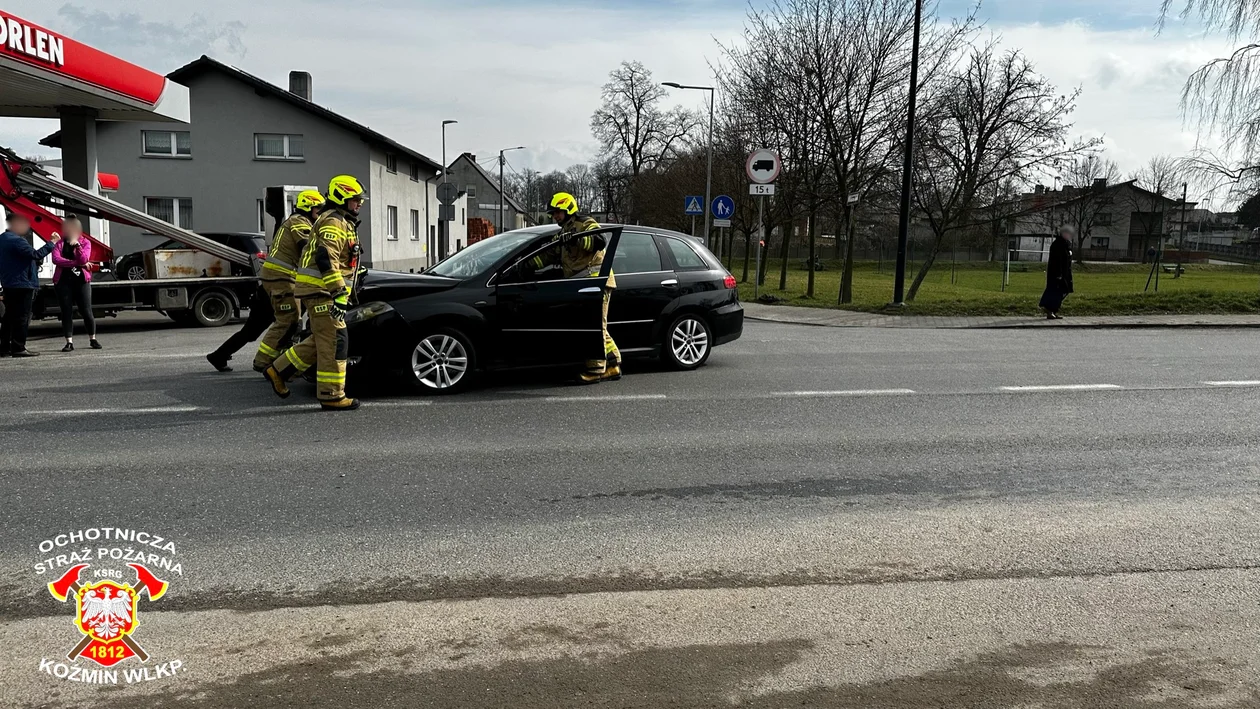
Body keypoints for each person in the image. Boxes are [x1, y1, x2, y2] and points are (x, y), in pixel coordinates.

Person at [264, 175, 366, 411]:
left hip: (322, 290)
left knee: (322, 338)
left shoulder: (341, 220)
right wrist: (339, 292)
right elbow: (324, 258)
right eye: (355, 199)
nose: (359, 203)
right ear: (342, 198)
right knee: (334, 342)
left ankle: (278, 370)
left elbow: (341, 259)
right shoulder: (334, 222)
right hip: (322, 291)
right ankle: (331, 395)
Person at [205, 190, 325, 372]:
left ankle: (219, 355)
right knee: (290, 321)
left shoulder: (292, 222)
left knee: (254, 327)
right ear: (308, 207)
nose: (321, 213)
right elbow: (308, 250)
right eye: (319, 209)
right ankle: (265, 362)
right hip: (281, 281)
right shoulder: (300, 223)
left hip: (271, 281)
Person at [536, 192, 619, 384]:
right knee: (598, 326)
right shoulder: (563, 231)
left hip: (596, 282)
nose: (554, 216)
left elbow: (599, 241)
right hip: (585, 284)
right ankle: (613, 365)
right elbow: (550, 255)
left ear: (568, 208)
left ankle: (597, 370)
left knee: (594, 327)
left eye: (557, 212)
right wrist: (528, 265)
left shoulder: (585, 223)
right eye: (553, 214)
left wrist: (577, 238)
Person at [0, 212, 59, 357]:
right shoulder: (17, 241)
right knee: (22, 316)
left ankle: (4, 347)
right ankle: (19, 347)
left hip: (9, 282)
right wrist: (52, 242)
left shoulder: (2, 239)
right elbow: (36, 255)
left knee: (9, 316)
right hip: (22, 283)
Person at [49, 216, 100, 352]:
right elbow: (56, 260)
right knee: (66, 312)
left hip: (81, 281)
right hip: (63, 282)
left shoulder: (85, 242)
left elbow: (84, 258)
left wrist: (77, 246)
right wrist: (76, 263)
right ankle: (69, 342)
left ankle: (92, 339)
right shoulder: (59, 243)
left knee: (86, 311)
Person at [1040, 226, 1075, 320]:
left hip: (1065, 272)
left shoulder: (1067, 244)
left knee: (1064, 290)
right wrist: (1058, 274)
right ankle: (1049, 310)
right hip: (1057, 273)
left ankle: (1052, 310)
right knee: (1056, 291)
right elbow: (1056, 260)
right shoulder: (1058, 244)